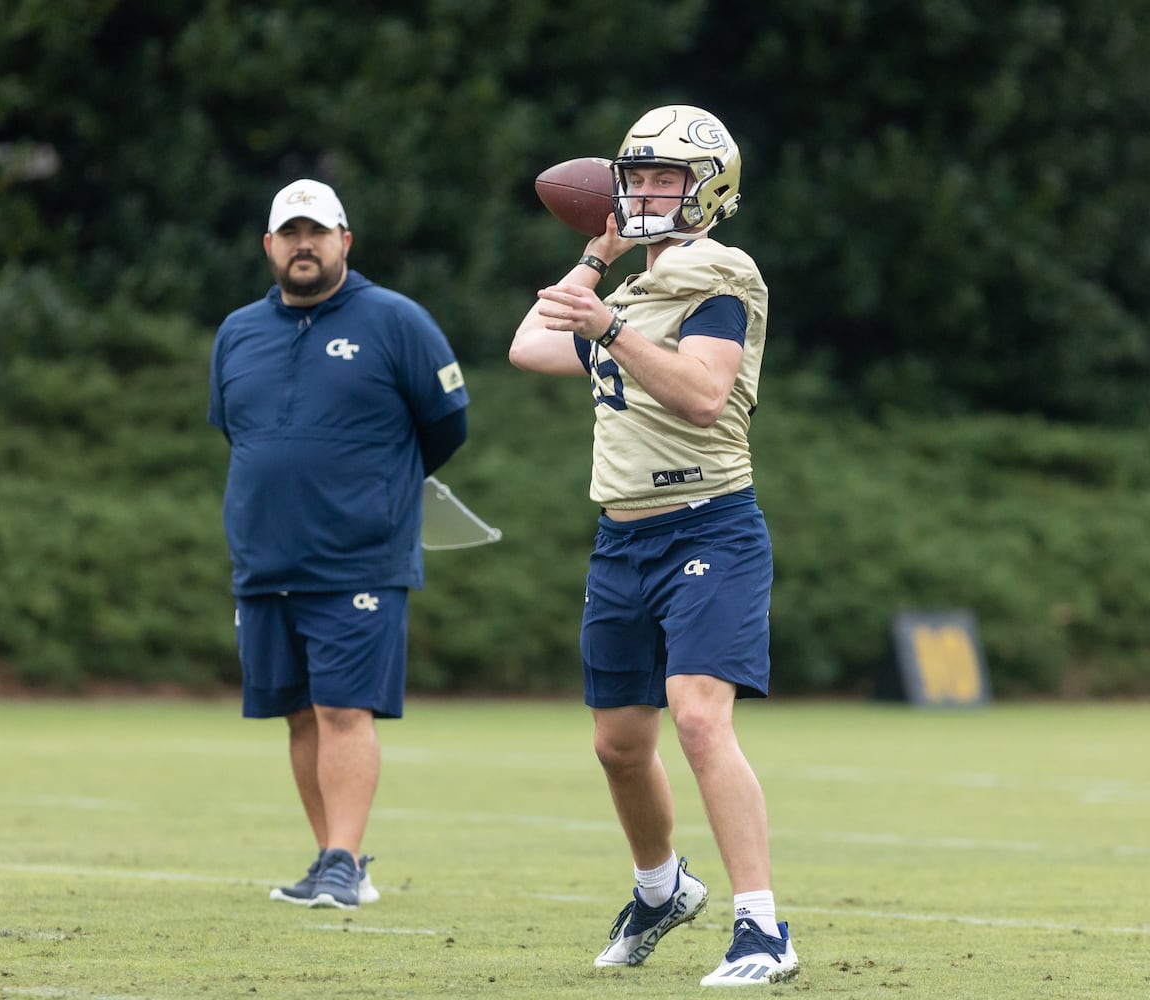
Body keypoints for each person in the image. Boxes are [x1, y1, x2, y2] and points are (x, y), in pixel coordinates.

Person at [508, 106, 799, 986]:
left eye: (663, 178)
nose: (642, 192)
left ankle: (762, 930)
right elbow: (527, 346)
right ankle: (662, 886)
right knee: (619, 744)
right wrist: (597, 263)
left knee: (701, 718)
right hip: (621, 538)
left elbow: (706, 396)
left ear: (709, 188)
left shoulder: (720, 269)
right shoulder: (630, 288)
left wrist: (608, 327)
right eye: (634, 177)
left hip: (709, 524)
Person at [208, 178, 469, 909]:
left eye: (316, 232)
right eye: (289, 233)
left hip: (359, 555)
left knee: (343, 710)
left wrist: (377, 490)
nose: (303, 244)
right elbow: (235, 427)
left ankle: (344, 862)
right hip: (265, 558)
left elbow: (447, 425)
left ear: (344, 241)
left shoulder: (396, 321)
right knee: (296, 712)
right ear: (269, 246)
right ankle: (331, 859)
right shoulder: (237, 332)